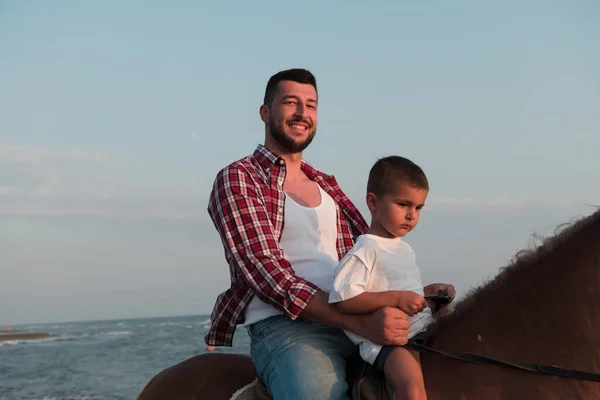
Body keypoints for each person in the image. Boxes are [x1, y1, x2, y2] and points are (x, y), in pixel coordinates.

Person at [206, 68, 455, 400]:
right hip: (288, 328)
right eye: (290, 102)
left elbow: (371, 258)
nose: (301, 113)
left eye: (311, 105)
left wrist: (415, 296)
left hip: (356, 318)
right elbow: (268, 274)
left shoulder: (327, 185)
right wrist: (360, 323)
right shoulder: (239, 178)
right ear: (265, 112)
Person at [329, 156, 450, 400]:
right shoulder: (365, 248)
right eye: (403, 204)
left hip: (418, 332)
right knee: (412, 387)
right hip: (388, 343)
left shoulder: (403, 248)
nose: (411, 215)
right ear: (373, 202)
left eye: (418, 208)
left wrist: (432, 297)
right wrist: (396, 298)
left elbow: (405, 292)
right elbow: (344, 299)